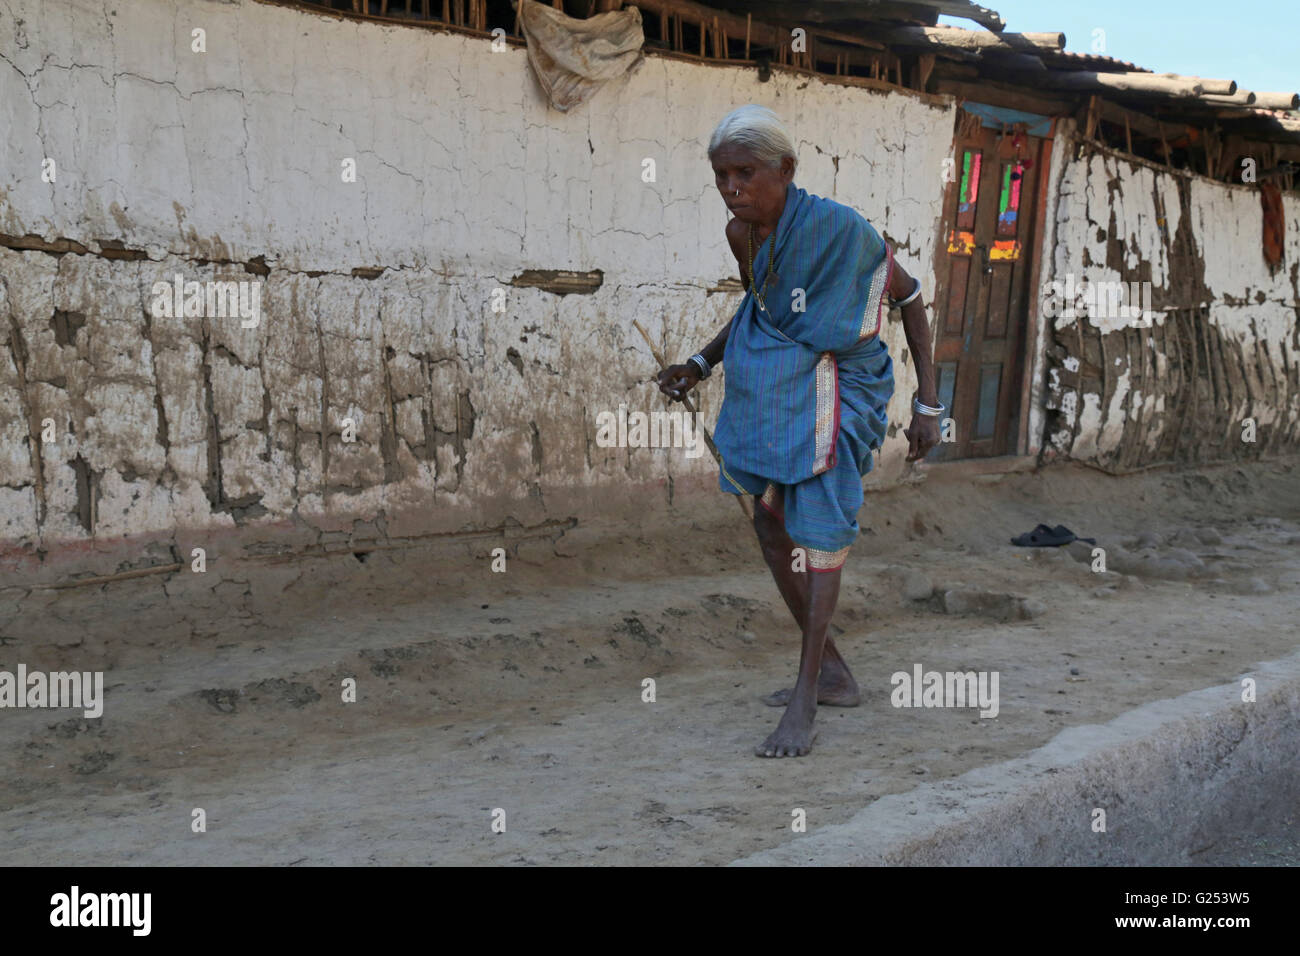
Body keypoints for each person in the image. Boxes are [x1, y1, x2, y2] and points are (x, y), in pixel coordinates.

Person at [657, 105, 943, 758]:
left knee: (818, 534)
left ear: (785, 170)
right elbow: (760, 312)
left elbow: (908, 297)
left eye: (745, 173)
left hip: (842, 389)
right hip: (775, 393)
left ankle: (807, 694)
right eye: (722, 174)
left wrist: (930, 405)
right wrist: (700, 364)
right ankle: (834, 669)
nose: (732, 187)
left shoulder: (839, 231)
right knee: (768, 525)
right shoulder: (742, 235)